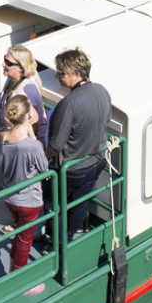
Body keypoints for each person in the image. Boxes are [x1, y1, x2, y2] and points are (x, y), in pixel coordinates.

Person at [45, 48, 112, 241]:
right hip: (96, 161)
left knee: (51, 203)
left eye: (61, 72)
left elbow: (55, 146)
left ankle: (55, 240)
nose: (57, 76)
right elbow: (105, 119)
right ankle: (71, 235)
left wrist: (43, 157)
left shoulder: (69, 103)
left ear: (77, 74)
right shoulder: (101, 90)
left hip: (70, 169)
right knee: (80, 201)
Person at [0, 94, 48, 289]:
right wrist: (34, 137)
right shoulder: (32, 146)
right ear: (27, 115)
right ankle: (21, 283)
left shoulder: (2, 137)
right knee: (24, 241)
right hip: (29, 201)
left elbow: (0, 164)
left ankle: (12, 272)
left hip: (9, 197)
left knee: (20, 236)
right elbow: (44, 168)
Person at [0, 44, 48, 145]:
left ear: (21, 67)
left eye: (8, 63)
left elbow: (33, 128)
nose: (3, 64)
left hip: (21, 146)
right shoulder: (13, 77)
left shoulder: (27, 94)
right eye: (4, 59)